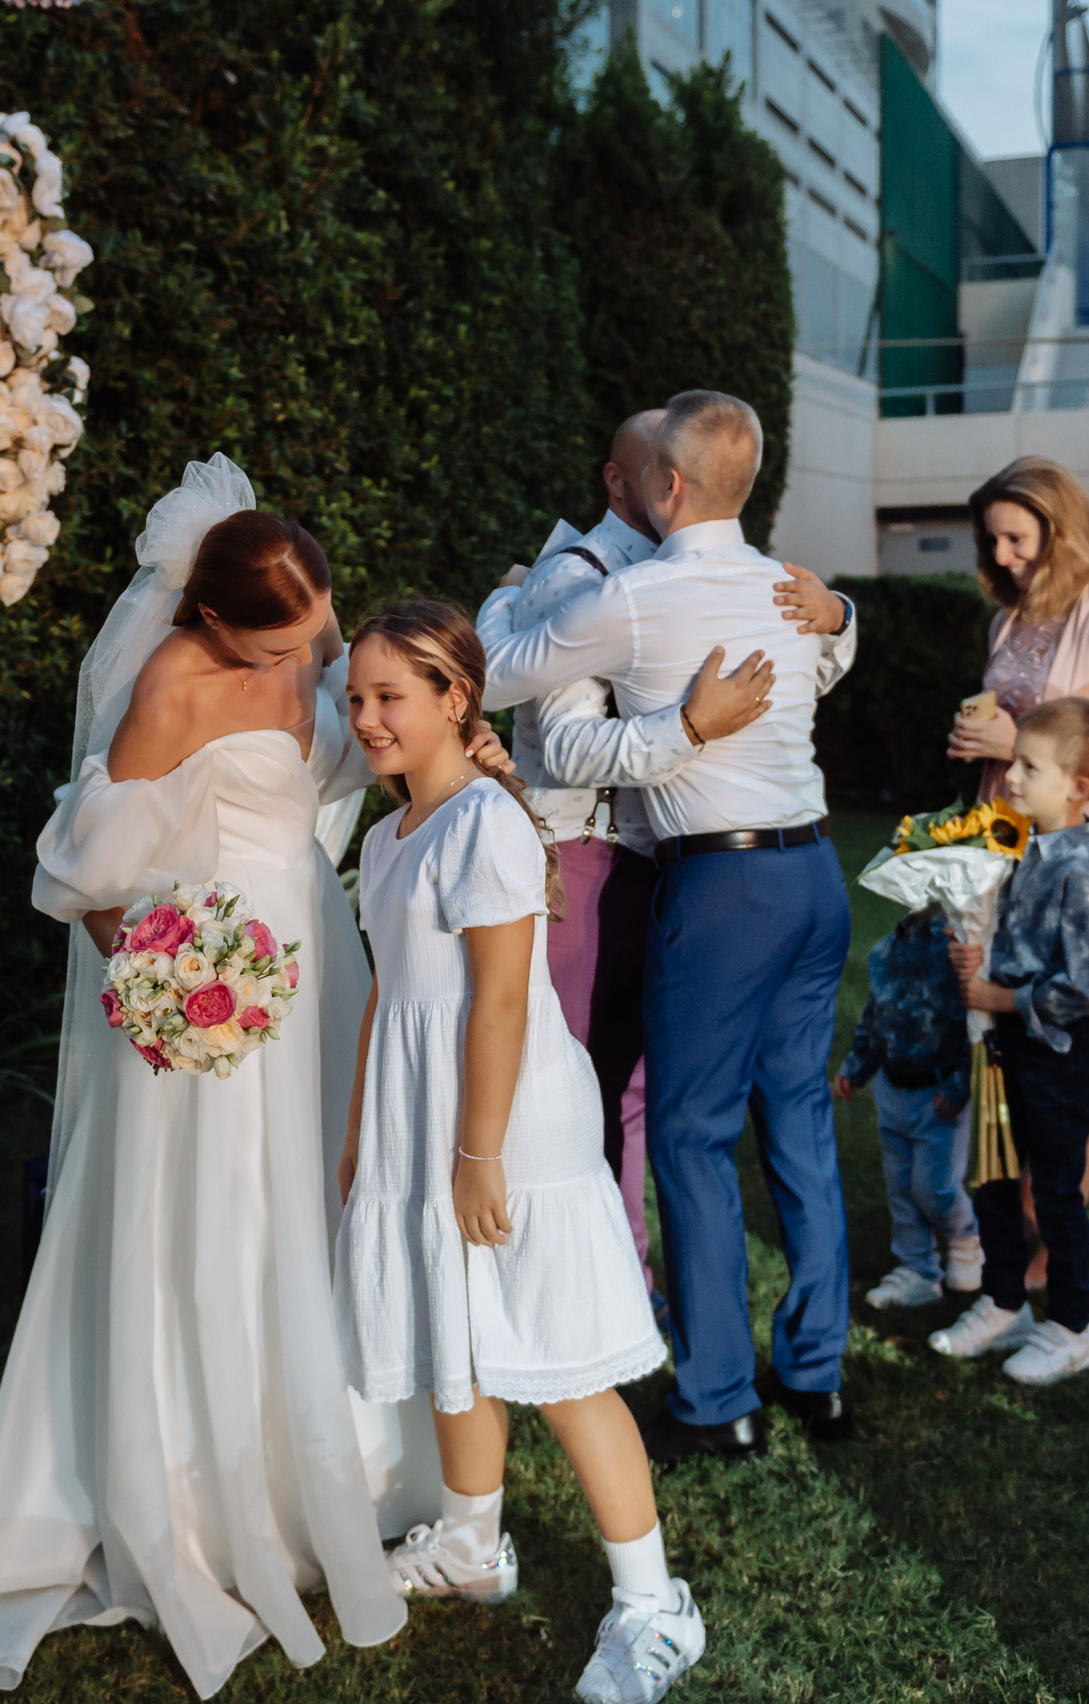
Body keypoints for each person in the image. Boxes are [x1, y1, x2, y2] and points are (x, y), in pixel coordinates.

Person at [0, 457, 409, 1700]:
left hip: (316, 959)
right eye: (280, 640)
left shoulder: (308, 643)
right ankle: (194, 1488)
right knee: (211, 1217)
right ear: (207, 622)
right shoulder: (167, 687)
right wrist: (163, 982)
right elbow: (86, 880)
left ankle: (327, 1449)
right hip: (213, 986)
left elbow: (348, 765)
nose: (303, 656)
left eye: (314, 628)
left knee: (312, 1194)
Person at [478, 390, 859, 1466]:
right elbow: (832, 655)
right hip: (816, 875)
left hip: (724, 888)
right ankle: (818, 1374)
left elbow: (498, 672)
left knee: (689, 1137)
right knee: (797, 1123)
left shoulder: (639, 598)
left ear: (672, 485)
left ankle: (716, 1397)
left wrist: (511, 600)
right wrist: (841, 616)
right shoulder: (787, 587)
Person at [332, 601, 700, 1704]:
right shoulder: (390, 836)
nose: (364, 718)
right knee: (454, 1333)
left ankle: (652, 1603)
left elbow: (497, 1003)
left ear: (457, 700)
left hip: (504, 1125)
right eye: (354, 697)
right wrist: (364, 1133)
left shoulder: (483, 823)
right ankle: (471, 1543)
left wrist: (478, 1156)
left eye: (388, 696)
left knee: (557, 1359)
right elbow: (387, 999)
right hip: (420, 1116)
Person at [946, 457, 1089, 1293]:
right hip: (1004, 859)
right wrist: (982, 745)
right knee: (1005, 1035)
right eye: (992, 539)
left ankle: (1053, 1229)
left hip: (1076, 869)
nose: (1000, 555)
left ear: (1060, 532)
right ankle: (1012, 1219)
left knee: (1075, 1044)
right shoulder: (1013, 618)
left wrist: (1018, 746)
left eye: (1016, 538)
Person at [932, 698, 1089, 1386]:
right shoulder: (1027, 848)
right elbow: (1017, 946)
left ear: (1078, 786)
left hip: (1061, 1055)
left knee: (1054, 1191)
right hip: (1008, 1048)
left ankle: (1074, 1326)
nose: (1011, 777)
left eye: (1028, 765)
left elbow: (1084, 987)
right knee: (991, 1178)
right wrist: (977, 963)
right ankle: (1005, 1300)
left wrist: (998, 997)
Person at [833, 907, 982, 1308]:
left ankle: (966, 1239)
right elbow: (874, 1015)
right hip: (892, 1087)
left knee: (934, 1186)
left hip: (938, 1096)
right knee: (900, 1186)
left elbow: (975, 1023)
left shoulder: (957, 950)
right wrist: (856, 1065)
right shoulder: (885, 950)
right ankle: (917, 1269)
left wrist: (958, 1084)